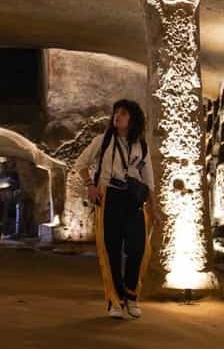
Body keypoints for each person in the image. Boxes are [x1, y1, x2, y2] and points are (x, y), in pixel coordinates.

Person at [74, 99, 161, 320]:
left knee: (139, 248)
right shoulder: (102, 141)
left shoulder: (140, 145)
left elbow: (149, 180)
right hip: (109, 196)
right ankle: (115, 300)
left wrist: (155, 208)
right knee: (110, 250)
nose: (117, 117)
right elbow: (81, 164)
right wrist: (90, 186)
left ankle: (131, 296)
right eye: (116, 113)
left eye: (122, 113)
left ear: (132, 119)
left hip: (133, 200)